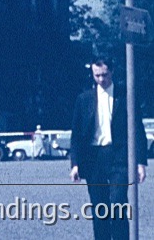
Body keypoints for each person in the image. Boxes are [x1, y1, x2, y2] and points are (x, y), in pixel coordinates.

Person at [70, 57, 147, 240]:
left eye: (104, 74)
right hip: (94, 158)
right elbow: (77, 135)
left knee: (119, 203)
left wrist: (140, 162)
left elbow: (137, 128)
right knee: (99, 209)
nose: (101, 79)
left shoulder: (126, 96)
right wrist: (75, 164)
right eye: (97, 75)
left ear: (111, 71)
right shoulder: (83, 99)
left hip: (119, 157)